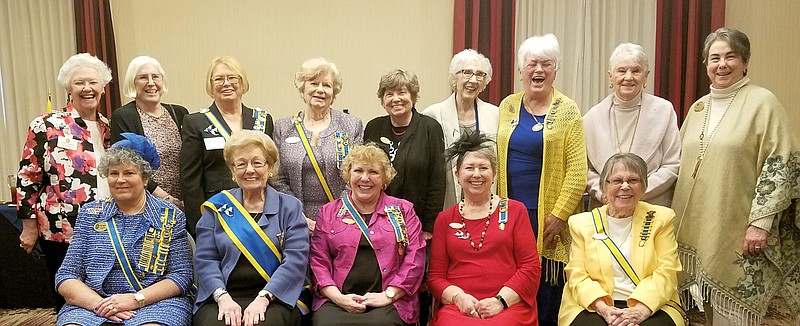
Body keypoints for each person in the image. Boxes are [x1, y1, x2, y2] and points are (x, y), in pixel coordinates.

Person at [672, 27, 800, 325]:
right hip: (698, 226)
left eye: (731, 56)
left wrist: (761, 222)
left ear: (745, 61)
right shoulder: (699, 107)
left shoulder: (762, 102)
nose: (722, 64)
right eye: (715, 58)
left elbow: (781, 162)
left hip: (741, 227)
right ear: (705, 65)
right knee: (703, 311)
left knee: (733, 314)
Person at [495, 34, 587, 326]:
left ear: (555, 70)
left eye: (546, 64)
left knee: (547, 286)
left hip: (547, 215)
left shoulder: (568, 111)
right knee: (512, 279)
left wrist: (559, 215)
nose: (539, 70)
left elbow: (577, 171)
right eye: (532, 64)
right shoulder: (508, 106)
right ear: (521, 71)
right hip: (509, 211)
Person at [55, 133, 193, 326]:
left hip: (155, 303)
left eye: (129, 173)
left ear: (145, 178)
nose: (120, 180)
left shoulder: (169, 216)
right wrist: (101, 305)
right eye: (113, 173)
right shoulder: (90, 214)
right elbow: (67, 276)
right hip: (96, 303)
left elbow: (181, 276)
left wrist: (135, 299)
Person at [16, 53, 114, 311]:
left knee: (104, 296)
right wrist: (28, 226)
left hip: (107, 228)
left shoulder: (109, 127)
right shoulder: (47, 125)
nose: (87, 88)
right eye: (79, 83)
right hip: (62, 231)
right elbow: (28, 177)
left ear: (102, 87)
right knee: (69, 298)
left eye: (93, 82)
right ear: (68, 88)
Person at [194, 130, 309, 326]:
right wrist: (223, 297)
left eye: (257, 163)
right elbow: (206, 260)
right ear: (232, 170)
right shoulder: (217, 207)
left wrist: (264, 298)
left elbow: (295, 261)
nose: (249, 170)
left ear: (270, 167)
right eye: (241, 164)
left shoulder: (290, 207)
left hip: (277, 296)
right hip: (223, 295)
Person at [560, 153, 685, 326]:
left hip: (651, 302)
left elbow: (667, 271)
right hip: (596, 303)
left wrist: (641, 310)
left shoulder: (661, 219)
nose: (625, 186)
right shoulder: (581, 223)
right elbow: (577, 275)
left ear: (643, 187)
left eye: (633, 180)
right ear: (605, 186)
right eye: (617, 181)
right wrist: (604, 309)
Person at [428, 132, 540, 325]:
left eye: (484, 168)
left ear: (494, 174)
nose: (477, 174)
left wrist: (500, 301)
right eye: (469, 168)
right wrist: (458, 298)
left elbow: (530, 268)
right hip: (459, 307)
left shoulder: (515, 210)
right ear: (457, 175)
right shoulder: (444, 219)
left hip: (508, 305)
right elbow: (435, 277)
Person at [309, 144, 426, 326]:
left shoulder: (403, 210)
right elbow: (318, 261)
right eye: (358, 171)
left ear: (384, 179)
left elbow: (415, 257)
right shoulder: (328, 212)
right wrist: (338, 298)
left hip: (390, 301)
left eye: (373, 172)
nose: (365, 178)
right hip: (337, 300)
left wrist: (389, 295)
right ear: (349, 177)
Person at [180, 56, 274, 235]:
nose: (226, 83)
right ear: (210, 85)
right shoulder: (196, 122)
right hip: (217, 210)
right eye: (219, 79)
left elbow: (271, 168)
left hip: (260, 210)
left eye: (232, 78)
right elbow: (190, 180)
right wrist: (200, 225)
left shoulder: (262, 119)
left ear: (242, 81)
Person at [583, 43, 680, 208]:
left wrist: (636, 193)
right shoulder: (592, 117)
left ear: (646, 76)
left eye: (636, 71)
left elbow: (672, 164)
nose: (628, 77)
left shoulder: (664, 110)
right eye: (621, 71)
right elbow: (585, 170)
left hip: (651, 205)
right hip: (605, 206)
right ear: (610, 76)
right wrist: (606, 194)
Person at [272, 58, 363, 228]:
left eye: (327, 85)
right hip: (294, 219)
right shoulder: (283, 127)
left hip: (342, 219)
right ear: (302, 88)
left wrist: (335, 215)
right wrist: (297, 216)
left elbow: (356, 175)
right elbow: (277, 177)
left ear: (333, 92)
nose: (320, 90)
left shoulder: (351, 125)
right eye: (313, 83)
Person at [364, 69, 446, 241]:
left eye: (402, 92)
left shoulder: (430, 128)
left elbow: (437, 179)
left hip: (418, 221)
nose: (396, 99)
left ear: (413, 97)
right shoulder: (373, 127)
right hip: (378, 220)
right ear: (382, 100)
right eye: (389, 94)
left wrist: (430, 226)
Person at [422, 49, 500, 210]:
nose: (473, 80)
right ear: (454, 78)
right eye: (467, 73)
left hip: (486, 201)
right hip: (446, 202)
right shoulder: (432, 115)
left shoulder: (496, 114)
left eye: (480, 75)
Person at [111, 55, 189, 210]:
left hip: (184, 203)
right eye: (142, 78)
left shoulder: (179, 113)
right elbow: (129, 164)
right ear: (132, 83)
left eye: (155, 77)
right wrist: (165, 198)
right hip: (146, 202)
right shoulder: (123, 116)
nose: (151, 83)